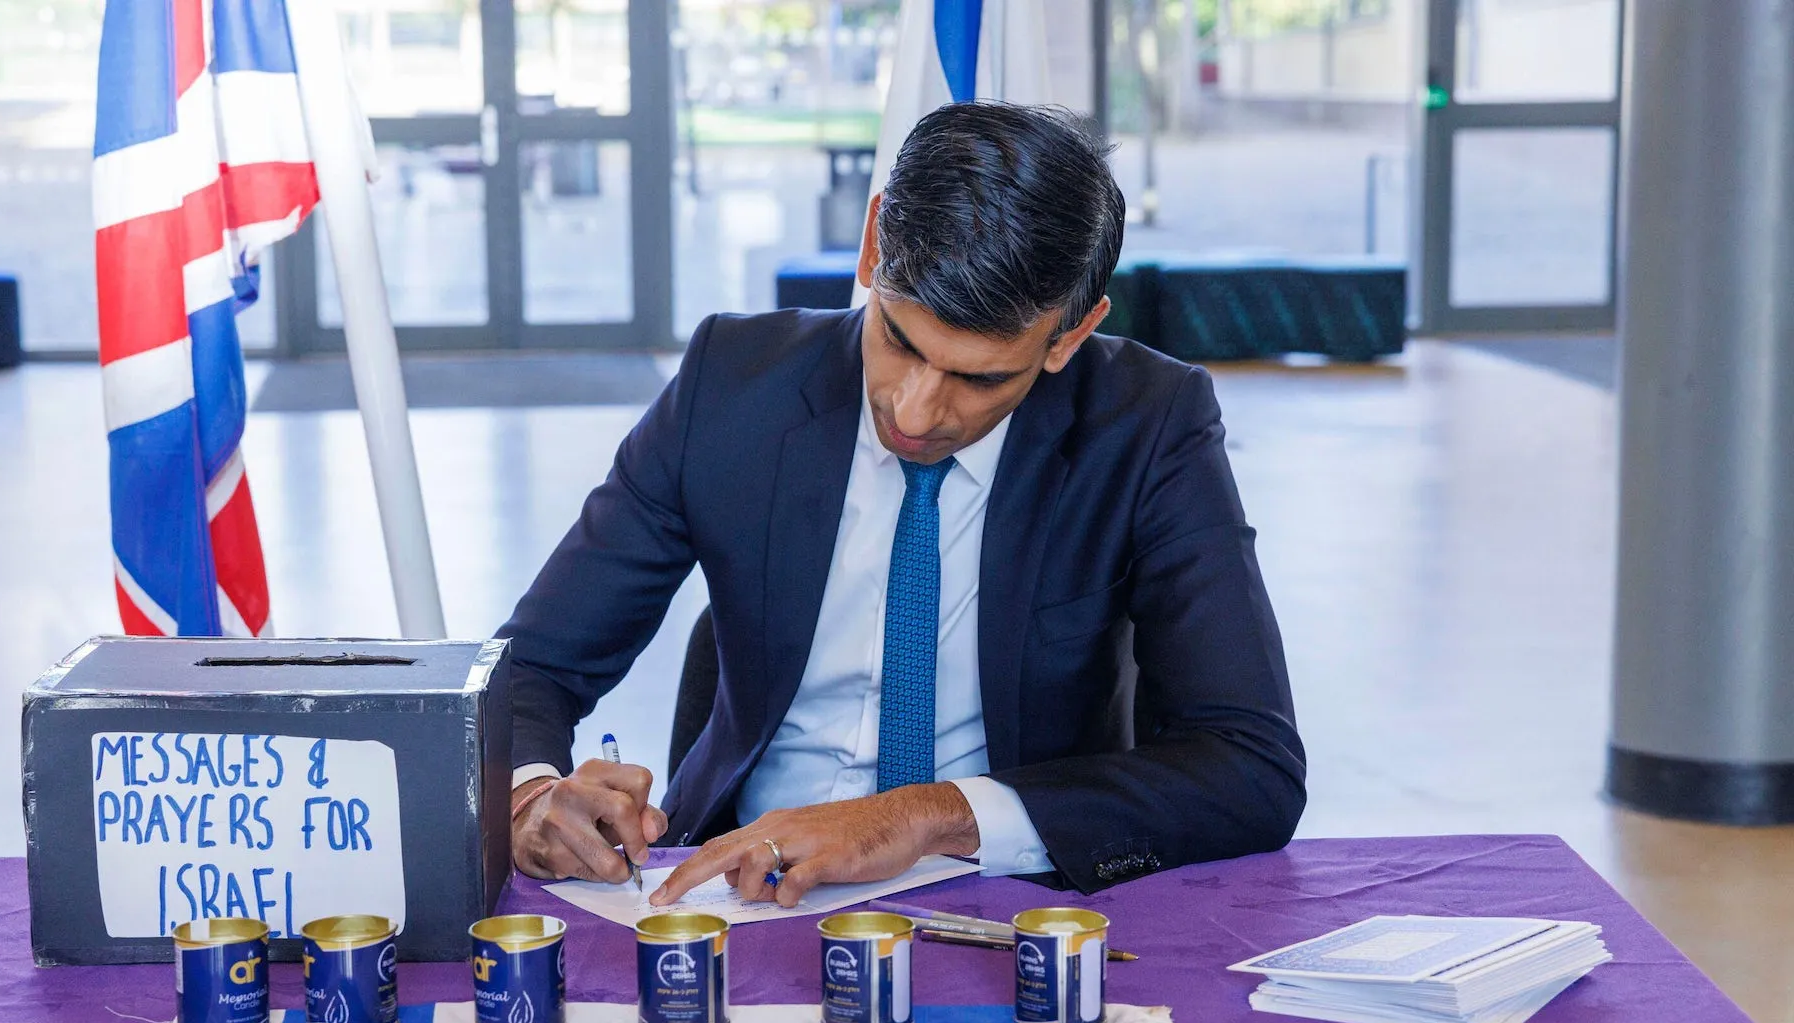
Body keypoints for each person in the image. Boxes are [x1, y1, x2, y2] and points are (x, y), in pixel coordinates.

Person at [494, 102, 1305, 907]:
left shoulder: (1148, 423)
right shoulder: (729, 384)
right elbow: (528, 666)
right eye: (900, 341)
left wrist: (926, 816)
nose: (914, 414)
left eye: (981, 378)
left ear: (1069, 335)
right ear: (874, 241)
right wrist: (533, 798)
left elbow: (1249, 763)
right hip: (739, 891)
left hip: (1011, 891)